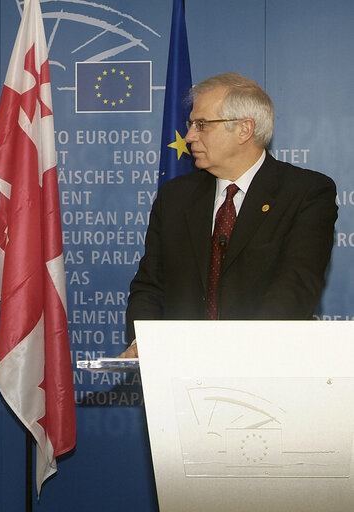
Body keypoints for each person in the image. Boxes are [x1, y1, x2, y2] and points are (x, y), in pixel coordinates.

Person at [121, 72, 338, 357]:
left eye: (201, 125)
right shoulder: (175, 197)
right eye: (190, 125)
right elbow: (149, 286)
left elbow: (295, 288)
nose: (189, 137)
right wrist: (144, 344)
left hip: (263, 366)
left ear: (244, 130)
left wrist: (235, 354)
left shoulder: (305, 193)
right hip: (179, 368)